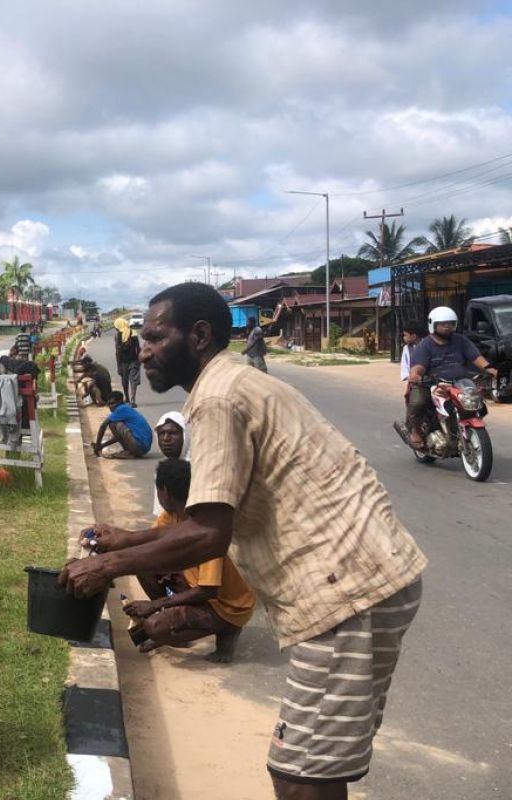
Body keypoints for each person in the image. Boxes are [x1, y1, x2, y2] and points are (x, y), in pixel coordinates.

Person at [60, 282, 426, 798]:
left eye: (154, 337)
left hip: (349, 591)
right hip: (367, 577)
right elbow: (210, 520)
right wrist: (127, 541)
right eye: (140, 339)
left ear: (200, 335)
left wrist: (106, 565)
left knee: (298, 774)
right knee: (314, 768)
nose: (142, 350)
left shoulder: (217, 400)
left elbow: (207, 534)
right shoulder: (233, 383)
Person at [126, 459, 255, 663]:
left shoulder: (206, 528)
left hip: (225, 603)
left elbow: (208, 590)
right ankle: (174, 627)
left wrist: (154, 605)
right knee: (143, 566)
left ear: (164, 492)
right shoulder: (170, 517)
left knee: (153, 627)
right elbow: (145, 549)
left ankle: (228, 628)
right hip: (196, 587)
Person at [405, 306, 498, 450]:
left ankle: (459, 428)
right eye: (443, 324)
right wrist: (416, 375)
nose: (447, 327)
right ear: (433, 325)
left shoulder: (460, 340)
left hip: (458, 382)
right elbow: (418, 367)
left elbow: (477, 358)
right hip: (431, 383)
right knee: (418, 402)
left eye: (450, 323)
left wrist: (493, 371)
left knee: (474, 402)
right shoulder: (425, 345)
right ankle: (415, 431)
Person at [93, 390, 152, 459]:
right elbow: (118, 437)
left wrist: (97, 444)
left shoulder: (121, 409)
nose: (110, 406)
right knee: (114, 424)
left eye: (112, 403)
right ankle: (130, 451)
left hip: (140, 446)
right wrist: (102, 445)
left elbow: (103, 426)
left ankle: (130, 452)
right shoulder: (126, 408)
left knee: (112, 424)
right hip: (143, 448)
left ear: (120, 402)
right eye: (109, 404)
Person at [151, 411, 188, 515]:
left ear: (185, 435)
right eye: (161, 433)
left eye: (172, 433)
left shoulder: (195, 466)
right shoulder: (163, 469)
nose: (166, 439)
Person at [116, 322, 141, 406]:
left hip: (123, 362)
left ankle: (127, 398)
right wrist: (138, 359)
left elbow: (118, 351)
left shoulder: (118, 335)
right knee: (133, 380)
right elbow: (138, 348)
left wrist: (118, 365)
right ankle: (133, 399)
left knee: (125, 380)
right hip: (134, 360)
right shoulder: (134, 333)